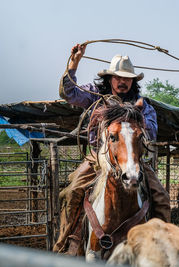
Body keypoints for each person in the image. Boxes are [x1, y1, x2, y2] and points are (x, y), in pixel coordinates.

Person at [53, 43, 171, 255]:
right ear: (109, 78)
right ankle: (63, 244)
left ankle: (161, 248)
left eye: (127, 78)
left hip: (132, 158)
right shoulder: (95, 96)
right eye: (118, 77)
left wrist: (137, 117)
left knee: (161, 197)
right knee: (72, 192)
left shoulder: (143, 105)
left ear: (133, 81)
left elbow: (151, 133)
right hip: (97, 158)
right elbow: (68, 93)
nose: (122, 81)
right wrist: (74, 62)